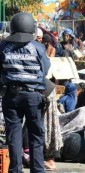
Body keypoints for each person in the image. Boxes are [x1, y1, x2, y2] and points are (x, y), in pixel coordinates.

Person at [0, 12, 51, 172]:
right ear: (31, 28)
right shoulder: (38, 47)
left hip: (11, 96)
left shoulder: (2, 46)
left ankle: (15, 169)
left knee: (13, 137)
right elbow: (46, 69)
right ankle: (37, 169)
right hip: (33, 96)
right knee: (35, 135)